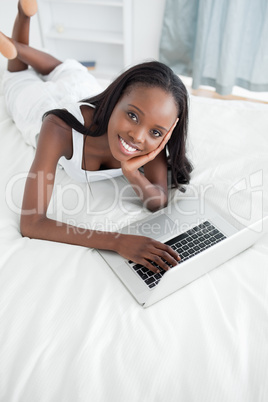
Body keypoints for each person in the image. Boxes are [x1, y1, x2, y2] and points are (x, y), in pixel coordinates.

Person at [0, 0, 193, 273]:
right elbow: (32, 223)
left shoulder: (152, 139)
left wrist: (132, 172)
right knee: (18, 75)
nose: (138, 137)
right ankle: (20, 31)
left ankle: (17, 40)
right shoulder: (57, 128)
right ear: (117, 98)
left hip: (79, 85)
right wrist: (116, 241)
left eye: (155, 131)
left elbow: (157, 201)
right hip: (42, 105)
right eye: (133, 115)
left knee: (65, 70)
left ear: (167, 131)